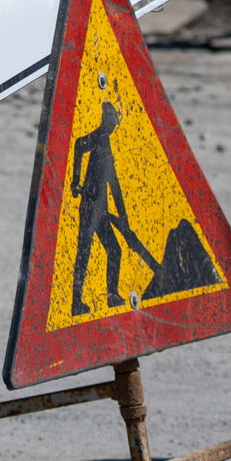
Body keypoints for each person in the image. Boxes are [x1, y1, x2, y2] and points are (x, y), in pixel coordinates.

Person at [68, 99, 161, 315]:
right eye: (111, 121)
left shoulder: (106, 141)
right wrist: (76, 181)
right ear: (105, 120)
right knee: (84, 252)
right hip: (91, 208)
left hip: (102, 209)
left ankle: (111, 295)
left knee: (115, 250)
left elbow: (114, 182)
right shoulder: (99, 138)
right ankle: (75, 301)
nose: (113, 126)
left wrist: (123, 216)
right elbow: (78, 144)